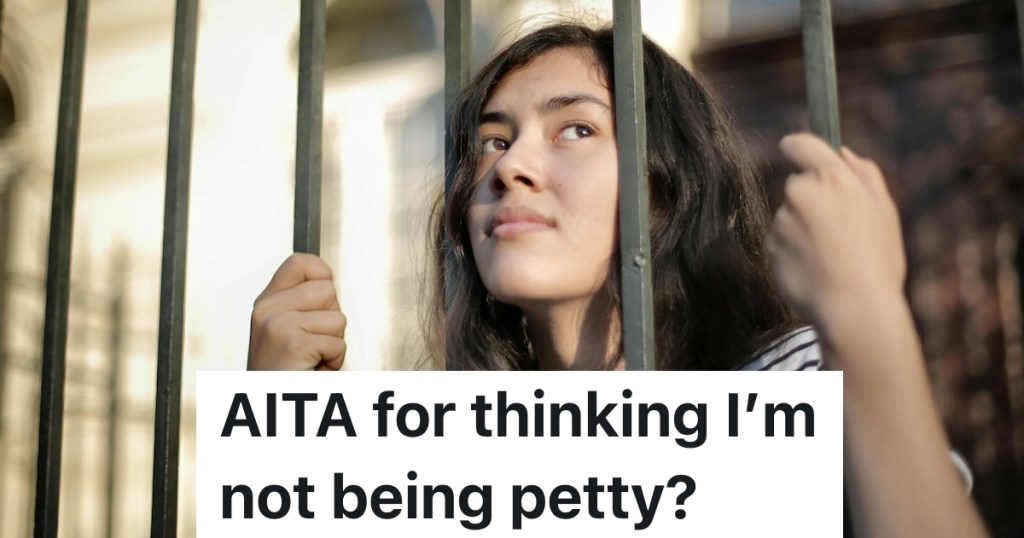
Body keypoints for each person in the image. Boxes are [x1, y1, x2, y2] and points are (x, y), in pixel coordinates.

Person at [247, 22, 987, 536]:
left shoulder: (780, 382)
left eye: (576, 128)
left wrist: (866, 322)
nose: (508, 166)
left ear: (667, 187)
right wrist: (278, 435)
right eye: (492, 141)